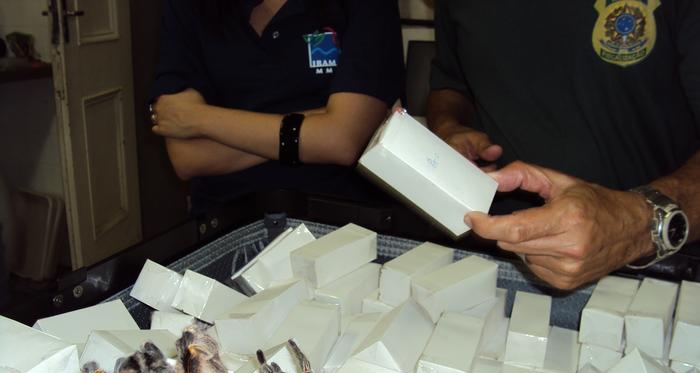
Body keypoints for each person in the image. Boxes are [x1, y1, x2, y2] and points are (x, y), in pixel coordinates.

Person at [427, 0, 700, 290]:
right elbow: (451, 83)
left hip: (653, 266)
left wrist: (633, 224)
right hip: (489, 250)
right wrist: (449, 127)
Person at [149, 0, 404, 214]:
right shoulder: (188, 7)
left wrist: (201, 119)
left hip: (342, 220)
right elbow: (187, 158)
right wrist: (319, 124)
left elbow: (342, 142)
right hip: (227, 222)